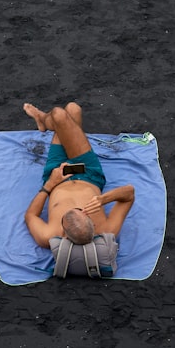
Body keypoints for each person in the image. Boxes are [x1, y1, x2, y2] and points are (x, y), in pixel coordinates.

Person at [22, 102, 135, 247]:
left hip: (57, 176)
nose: (81, 208)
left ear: (64, 232)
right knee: (73, 110)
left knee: (60, 114)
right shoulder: (108, 231)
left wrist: (50, 184)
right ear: (91, 224)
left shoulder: (48, 236)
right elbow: (129, 193)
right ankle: (45, 120)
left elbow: (30, 215)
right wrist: (103, 199)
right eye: (84, 212)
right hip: (87, 172)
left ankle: (42, 118)